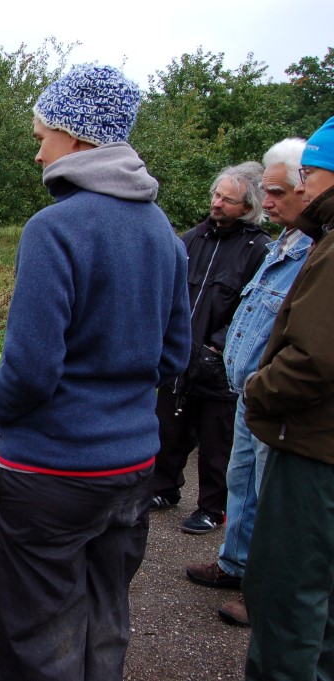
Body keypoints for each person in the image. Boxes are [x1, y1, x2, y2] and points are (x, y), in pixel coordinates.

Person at [0, 64, 190, 680]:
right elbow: (174, 358)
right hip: (132, 468)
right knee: (104, 623)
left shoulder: (54, 229)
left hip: (52, 475)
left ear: (77, 138)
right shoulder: (165, 235)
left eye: (42, 133)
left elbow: (30, 371)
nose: (37, 148)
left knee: (37, 642)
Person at [184, 139, 310, 627]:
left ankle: (264, 593)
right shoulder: (285, 243)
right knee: (244, 484)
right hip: (248, 392)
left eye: (276, 190)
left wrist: (254, 376)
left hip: (271, 396)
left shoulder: (309, 249)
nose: (269, 200)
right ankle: (235, 564)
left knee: (272, 497)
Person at [241, 115, 334, 679]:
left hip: (315, 450)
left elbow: (315, 358)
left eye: (309, 174)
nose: (302, 188)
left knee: (288, 591)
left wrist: (257, 389)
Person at [150, 163, 272, 534]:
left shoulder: (258, 249)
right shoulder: (192, 239)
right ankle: (164, 487)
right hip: (180, 353)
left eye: (227, 199)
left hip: (219, 361)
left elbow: (252, 309)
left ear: (248, 205)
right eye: (216, 195)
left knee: (216, 440)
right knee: (169, 426)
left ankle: (212, 507)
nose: (217, 203)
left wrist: (218, 348)